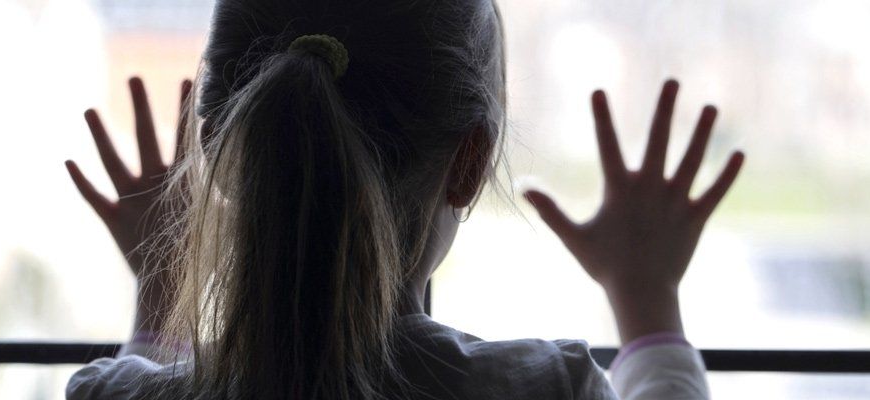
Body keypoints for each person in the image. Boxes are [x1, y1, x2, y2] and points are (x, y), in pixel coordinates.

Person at [62, 0, 744, 398]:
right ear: (469, 162)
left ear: (214, 149)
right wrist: (646, 297)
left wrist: (162, 288)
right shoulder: (545, 389)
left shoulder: (110, 394)